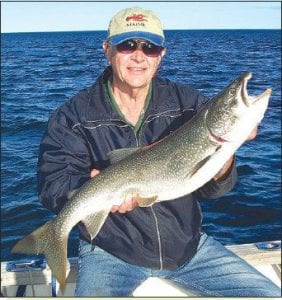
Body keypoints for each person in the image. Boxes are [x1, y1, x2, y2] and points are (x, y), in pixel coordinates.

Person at [37, 7, 281, 297]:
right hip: (110, 252)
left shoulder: (189, 105)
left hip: (187, 249)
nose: (139, 56)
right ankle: (52, 237)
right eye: (128, 45)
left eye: (150, 47)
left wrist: (225, 153)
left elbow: (212, 191)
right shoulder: (72, 116)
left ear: (161, 55)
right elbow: (52, 184)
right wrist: (94, 188)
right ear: (107, 50)